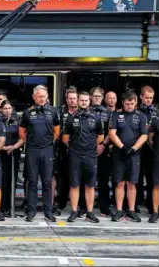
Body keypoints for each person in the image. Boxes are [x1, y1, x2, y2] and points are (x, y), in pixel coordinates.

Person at [19, 85, 60, 222]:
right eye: (39, 96)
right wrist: (31, 142)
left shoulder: (53, 112)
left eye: (44, 96)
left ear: (47, 97)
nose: (41, 99)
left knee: (47, 182)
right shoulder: (27, 113)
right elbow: (21, 132)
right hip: (32, 150)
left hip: (47, 149)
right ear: (34, 97)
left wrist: (48, 142)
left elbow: (57, 131)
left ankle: (48, 212)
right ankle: (31, 211)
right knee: (32, 181)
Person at [62, 91, 104, 223]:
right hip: (75, 155)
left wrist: (90, 146)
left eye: (86, 100)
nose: (84, 102)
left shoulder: (96, 118)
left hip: (91, 155)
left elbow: (101, 136)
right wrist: (74, 146)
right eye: (81, 100)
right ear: (77, 101)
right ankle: (74, 211)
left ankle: (90, 212)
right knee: (74, 184)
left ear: (90, 101)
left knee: (90, 185)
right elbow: (65, 138)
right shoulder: (71, 117)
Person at [109, 90, 148, 222]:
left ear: (136, 102)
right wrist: (122, 147)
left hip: (134, 154)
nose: (129, 106)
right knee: (119, 182)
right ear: (123, 103)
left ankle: (131, 210)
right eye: (127, 104)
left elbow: (144, 135)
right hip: (119, 153)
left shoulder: (141, 116)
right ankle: (119, 210)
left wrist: (134, 148)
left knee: (132, 183)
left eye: (132, 104)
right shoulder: (116, 114)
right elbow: (112, 133)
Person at [89, 87, 113, 217]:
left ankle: (105, 208)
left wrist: (102, 145)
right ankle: (85, 208)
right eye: (95, 96)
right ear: (91, 97)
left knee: (103, 181)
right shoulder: (85, 111)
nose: (97, 98)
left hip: (103, 150)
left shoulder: (108, 112)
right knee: (87, 180)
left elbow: (111, 132)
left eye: (99, 96)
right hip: (88, 149)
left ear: (103, 98)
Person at [55, 87, 78, 213]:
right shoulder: (59, 112)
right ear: (66, 99)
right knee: (62, 177)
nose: (72, 101)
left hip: (79, 149)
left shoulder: (82, 112)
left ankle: (79, 204)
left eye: (74, 98)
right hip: (62, 149)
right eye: (70, 98)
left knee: (77, 178)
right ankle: (61, 202)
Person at [0, 100, 24, 217]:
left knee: (12, 180)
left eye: (9, 108)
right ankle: (2, 207)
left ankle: (11, 206)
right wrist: (3, 147)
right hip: (1, 153)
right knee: (2, 181)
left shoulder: (17, 121)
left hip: (14, 153)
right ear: (1, 109)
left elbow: (23, 137)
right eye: (5, 108)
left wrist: (13, 147)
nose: (7, 110)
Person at [138, 86, 158, 215]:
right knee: (136, 177)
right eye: (146, 98)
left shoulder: (156, 111)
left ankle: (152, 205)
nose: (149, 100)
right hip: (137, 147)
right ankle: (135, 204)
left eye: (151, 98)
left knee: (152, 178)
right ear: (141, 97)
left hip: (152, 148)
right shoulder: (135, 110)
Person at [148, 117, 159, 223]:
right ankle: (155, 212)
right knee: (157, 185)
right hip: (158, 156)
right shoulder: (156, 121)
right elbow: (150, 139)